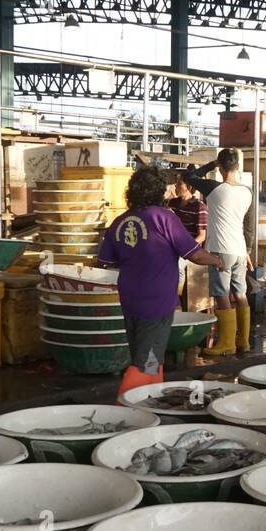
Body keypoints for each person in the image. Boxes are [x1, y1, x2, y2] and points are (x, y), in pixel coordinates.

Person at [97, 168, 223, 395]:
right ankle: (125, 410)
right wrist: (217, 261)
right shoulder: (164, 218)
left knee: (147, 356)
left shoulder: (119, 222)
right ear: (157, 191)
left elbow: (105, 261)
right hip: (157, 301)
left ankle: (151, 402)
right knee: (145, 361)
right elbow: (194, 253)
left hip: (129, 299)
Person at [199, 149, 253, 357]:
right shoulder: (247, 192)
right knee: (240, 294)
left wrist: (210, 165)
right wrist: (247, 249)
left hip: (220, 250)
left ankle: (226, 343)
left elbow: (190, 177)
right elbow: (249, 226)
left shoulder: (215, 188)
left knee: (221, 295)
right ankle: (244, 341)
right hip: (239, 249)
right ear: (238, 166)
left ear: (220, 167)